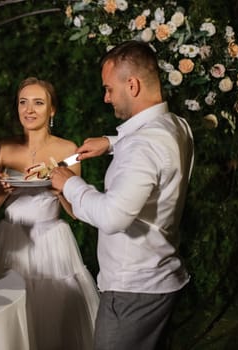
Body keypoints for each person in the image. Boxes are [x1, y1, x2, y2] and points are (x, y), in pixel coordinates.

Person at [50, 40, 194, 350]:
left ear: (132, 84)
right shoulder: (177, 126)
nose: (105, 98)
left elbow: (112, 217)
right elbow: (151, 146)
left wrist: (68, 184)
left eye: (109, 89)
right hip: (160, 278)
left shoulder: (143, 146)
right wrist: (111, 141)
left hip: (133, 291)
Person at [0, 77, 99, 350]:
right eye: (23, 102)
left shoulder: (68, 150)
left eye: (38, 102)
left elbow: (76, 212)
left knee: (52, 317)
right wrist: (5, 190)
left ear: (52, 110)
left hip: (52, 242)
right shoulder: (3, 147)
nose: (29, 109)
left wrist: (59, 187)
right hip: (11, 239)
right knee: (10, 313)